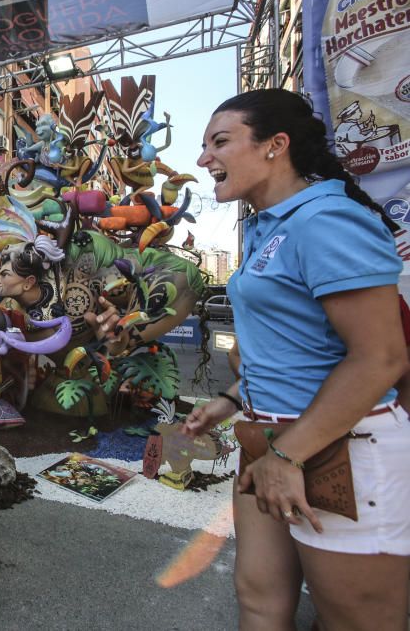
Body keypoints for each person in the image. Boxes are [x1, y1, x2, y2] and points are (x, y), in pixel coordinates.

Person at [175, 89, 409, 630]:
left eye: (220, 142)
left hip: (341, 451)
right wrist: (230, 402)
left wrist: (289, 457)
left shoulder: (326, 220)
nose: (204, 158)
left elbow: (379, 358)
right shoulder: (265, 227)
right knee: (258, 598)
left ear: (275, 145)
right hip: (268, 444)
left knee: (356, 619)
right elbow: (292, 346)